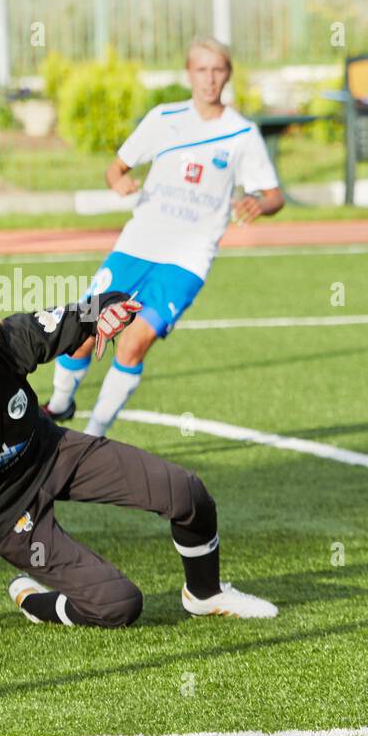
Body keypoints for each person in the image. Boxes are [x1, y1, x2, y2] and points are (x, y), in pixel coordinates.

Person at [0, 291, 279, 645]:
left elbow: (76, 315)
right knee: (119, 606)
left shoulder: (7, 342)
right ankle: (32, 600)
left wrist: (109, 310)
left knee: (187, 493)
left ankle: (204, 593)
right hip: (0, 515)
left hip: (52, 454)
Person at [43, 36, 284, 437]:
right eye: (201, 69)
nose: (209, 79)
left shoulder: (242, 134)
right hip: (136, 246)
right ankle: (60, 403)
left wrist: (261, 204)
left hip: (187, 260)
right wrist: (118, 182)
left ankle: (93, 437)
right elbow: (115, 168)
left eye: (218, 70)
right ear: (189, 73)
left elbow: (274, 195)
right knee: (84, 329)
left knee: (133, 343)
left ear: (228, 74)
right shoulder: (164, 118)